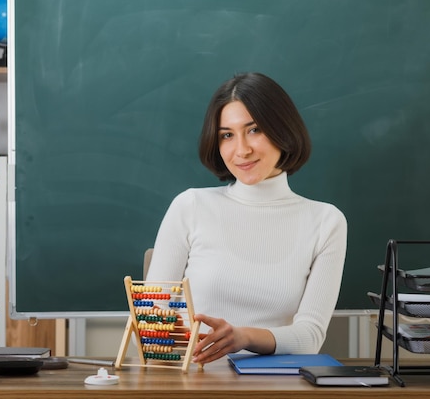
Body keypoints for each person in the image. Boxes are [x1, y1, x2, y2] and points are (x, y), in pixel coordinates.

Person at [145, 72, 347, 365]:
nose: (241, 150)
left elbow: (310, 337)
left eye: (254, 130)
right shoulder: (190, 206)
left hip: (275, 388)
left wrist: (245, 337)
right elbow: (152, 318)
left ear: (283, 130)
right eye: (227, 135)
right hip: (194, 382)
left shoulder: (326, 221)